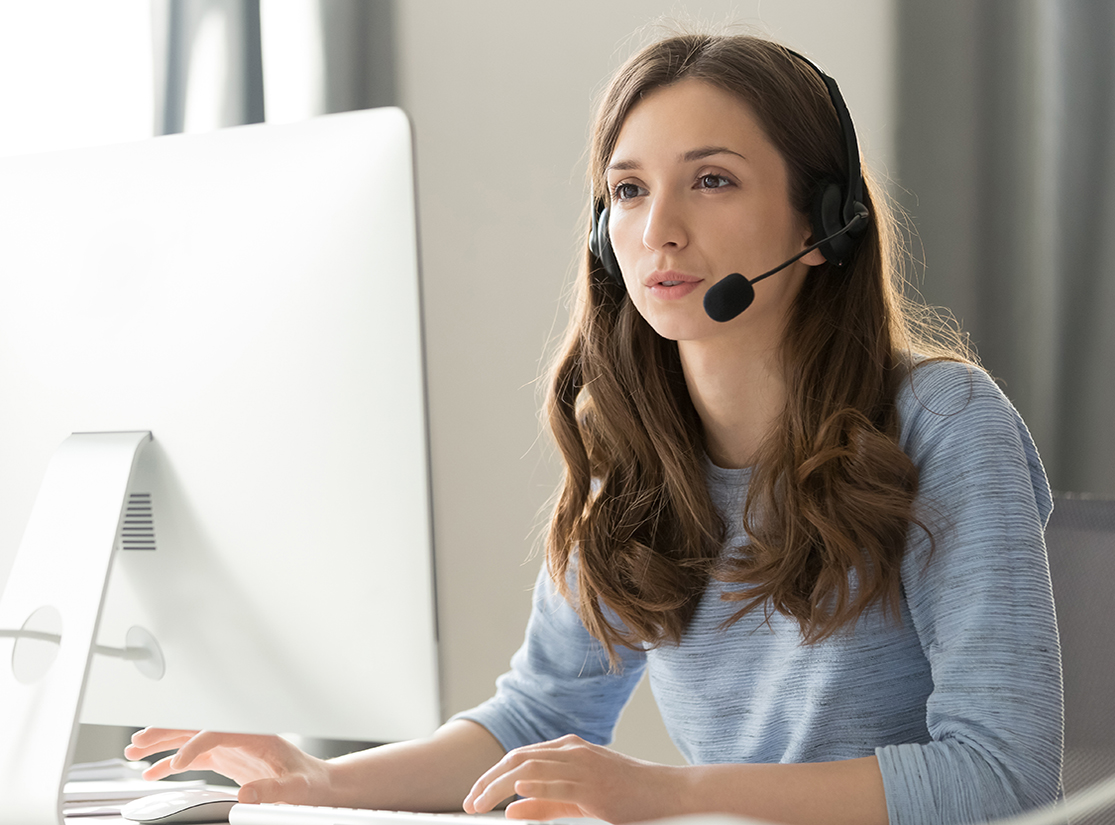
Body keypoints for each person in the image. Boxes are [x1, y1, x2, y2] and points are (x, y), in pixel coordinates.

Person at [125, 31, 1063, 825]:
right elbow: (537, 712)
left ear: (823, 225)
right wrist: (321, 781)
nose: (658, 228)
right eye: (626, 190)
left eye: (713, 181)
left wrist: (667, 793)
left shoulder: (942, 424)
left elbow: (998, 772)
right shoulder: (637, 456)